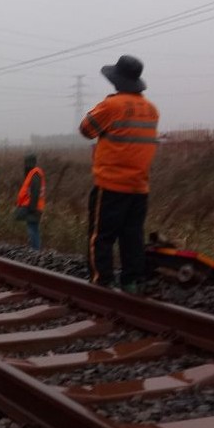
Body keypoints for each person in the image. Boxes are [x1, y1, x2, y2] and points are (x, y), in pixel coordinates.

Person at [79, 55, 159, 294]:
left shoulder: (112, 106)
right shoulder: (151, 110)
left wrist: (105, 104)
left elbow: (86, 129)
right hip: (139, 186)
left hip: (111, 185)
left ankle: (102, 282)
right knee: (132, 236)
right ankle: (131, 282)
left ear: (117, 80)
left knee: (101, 235)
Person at [15, 154, 46, 250]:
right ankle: (34, 250)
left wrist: (32, 208)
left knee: (33, 229)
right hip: (34, 206)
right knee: (32, 229)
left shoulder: (35, 174)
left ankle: (35, 250)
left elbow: (35, 192)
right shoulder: (34, 174)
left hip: (34, 207)